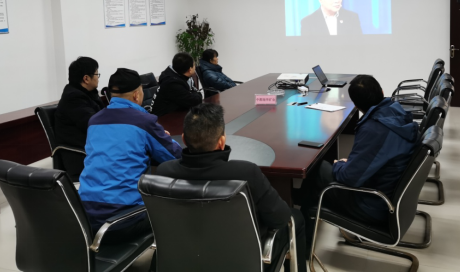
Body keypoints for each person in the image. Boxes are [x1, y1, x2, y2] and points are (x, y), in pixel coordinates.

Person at [156, 103, 306, 272]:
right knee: (296, 218)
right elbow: (280, 218)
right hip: (242, 261)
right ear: (221, 141)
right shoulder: (246, 173)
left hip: (184, 258)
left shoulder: (164, 172)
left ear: (183, 139)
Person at [300, 74, 419, 244]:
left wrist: (339, 165)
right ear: (382, 91)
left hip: (373, 205)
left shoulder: (375, 129)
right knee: (321, 170)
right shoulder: (395, 111)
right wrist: (350, 164)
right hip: (389, 195)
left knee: (315, 170)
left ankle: (302, 242)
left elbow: (349, 178)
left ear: (355, 105)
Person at [78, 68, 182, 251]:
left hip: (84, 218)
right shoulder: (143, 121)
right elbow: (175, 155)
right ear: (136, 95)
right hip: (123, 222)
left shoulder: (94, 121)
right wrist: (165, 138)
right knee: (177, 205)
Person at [54, 56, 103, 178]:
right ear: (86, 78)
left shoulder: (88, 93)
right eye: (97, 74)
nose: (98, 78)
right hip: (81, 155)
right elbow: (95, 124)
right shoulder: (74, 98)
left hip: (94, 147)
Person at [151, 52, 202, 116]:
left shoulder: (180, 75)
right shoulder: (172, 83)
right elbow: (194, 101)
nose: (195, 67)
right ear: (190, 70)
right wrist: (198, 94)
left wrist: (195, 94)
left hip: (175, 112)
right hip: (163, 118)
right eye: (194, 65)